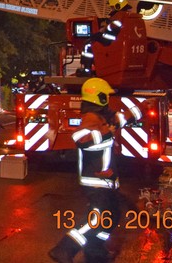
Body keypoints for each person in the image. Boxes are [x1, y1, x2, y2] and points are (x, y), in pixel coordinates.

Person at [48, 77, 142, 263]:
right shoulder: (91, 118)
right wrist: (106, 134)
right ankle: (65, 248)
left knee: (112, 215)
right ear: (97, 96)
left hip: (106, 180)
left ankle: (95, 250)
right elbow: (81, 138)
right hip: (96, 180)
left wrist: (139, 110)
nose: (107, 98)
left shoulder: (101, 116)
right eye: (105, 95)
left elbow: (118, 120)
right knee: (96, 218)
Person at [78, 0, 130, 76]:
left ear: (117, 6)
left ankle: (87, 69)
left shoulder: (120, 15)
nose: (111, 8)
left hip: (110, 39)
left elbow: (114, 26)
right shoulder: (125, 15)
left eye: (112, 7)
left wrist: (105, 27)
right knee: (93, 38)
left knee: (88, 44)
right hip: (115, 38)